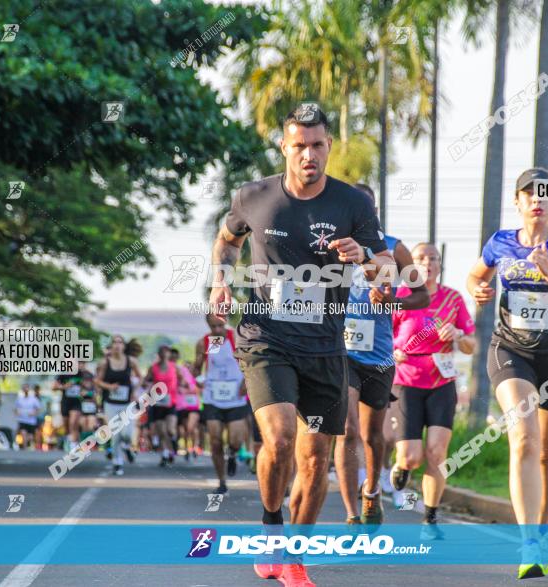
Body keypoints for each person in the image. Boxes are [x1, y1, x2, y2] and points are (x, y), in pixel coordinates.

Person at [209, 103, 395, 586]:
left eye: (317, 145)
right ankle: (271, 526)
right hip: (265, 337)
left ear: (329, 146)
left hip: (326, 345)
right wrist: (221, 281)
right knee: (282, 438)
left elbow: (388, 273)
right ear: (285, 148)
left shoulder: (354, 203)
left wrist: (365, 260)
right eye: (299, 146)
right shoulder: (254, 196)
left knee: (315, 460)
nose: (308, 155)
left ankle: (294, 556)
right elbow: (228, 240)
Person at [466, 168, 548, 579]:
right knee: (523, 435)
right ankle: (529, 543)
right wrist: (477, 289)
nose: (537, 199)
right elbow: (476, 274)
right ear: (518, 201)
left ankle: (542, 532)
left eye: (544, 193)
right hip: (511, 350)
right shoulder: (500, 242)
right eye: (529, 193)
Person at [334, 183, 429, 527]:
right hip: (340, 350)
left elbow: (423, 296)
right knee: (347, 429)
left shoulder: (394, 248)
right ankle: (350, 513)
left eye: (365, 207)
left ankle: (372, 492)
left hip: (378, 354)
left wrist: (393, 302)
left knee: (374, 434)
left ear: (374, 211)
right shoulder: (330, 247)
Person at [389, 242, 476, 540]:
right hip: (407, 381)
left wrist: (459, 335)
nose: (428, 263)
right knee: (413, 457)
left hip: (442, 381)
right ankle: (401, 465)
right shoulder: (400, 297)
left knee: (437, 451)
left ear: (440, 265)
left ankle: (430, 517)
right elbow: (382, 337)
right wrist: (393, 351)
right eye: (421, 258)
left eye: (434, 258)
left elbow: (472, 345)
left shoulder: (453, 298)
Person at [194, 314, 249, 494]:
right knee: (215, 440)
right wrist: (198, 379)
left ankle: (232, 453)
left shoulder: (238, 338)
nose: (217, 331)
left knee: (235, 440)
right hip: (213, 397)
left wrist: (245, 383)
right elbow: (196, 368)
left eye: (220, 326)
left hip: (235, 397)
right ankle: (222, 481)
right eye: (213, 327)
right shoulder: (204, 343)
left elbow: (250, 363)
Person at [95, 334, 142, 475]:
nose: (117, 345)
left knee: (127, 434)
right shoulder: (105, 363)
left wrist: (134, 390)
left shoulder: (131, 361)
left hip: (127, 403)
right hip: (110, 403)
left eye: (120, 342)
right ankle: (117, 462)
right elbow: (97, 380)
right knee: (115, 433)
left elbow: (140, 377)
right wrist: (109, 387)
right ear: (112, 346)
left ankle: (127, 446)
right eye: (114, 342)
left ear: (124, 346)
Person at [143, 345, 179, 466]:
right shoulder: (153, 368)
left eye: (166, 352)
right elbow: (146, 380)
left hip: (171, 402)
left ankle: (173, 443)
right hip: (158, 403)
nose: (164, 354)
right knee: (161, 431)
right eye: (162, 352)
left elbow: (184, 380)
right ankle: (165, 454)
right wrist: (145, 385)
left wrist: (184, 386)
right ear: (159, 354)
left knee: (170, 430)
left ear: (169, 354)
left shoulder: (175, 367)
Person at [172, 349, 201, 460]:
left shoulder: (195, 378)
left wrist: (187, 390)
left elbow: (198, 390)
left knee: (191, 428)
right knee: (184, 429)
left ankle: (194, 447)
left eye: (189, 367)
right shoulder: (178, 378)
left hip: (194, 406)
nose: (187, 369)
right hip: (183, 406)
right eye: (185, 367)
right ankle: (186, 449)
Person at [52, 364, 87, 452]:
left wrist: (84, 389)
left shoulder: (80, 373)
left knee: (73, 422)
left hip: (76, 402)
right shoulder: (62, 374)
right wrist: (64, 387)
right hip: (65, 402)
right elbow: (54, 387)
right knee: (67, 426)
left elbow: (88, 383)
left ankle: (73, 444)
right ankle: (71, 439)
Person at [15, 384, 42, 449]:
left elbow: (38, 408)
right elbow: (16, 409)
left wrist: (34, 413)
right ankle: (25, 448)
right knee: (23, 433)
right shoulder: (19, 399)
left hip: (31, 420)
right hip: (22, 419)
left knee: (30, 436)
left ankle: (28, 443)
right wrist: (17, 412)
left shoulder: (33, 399)